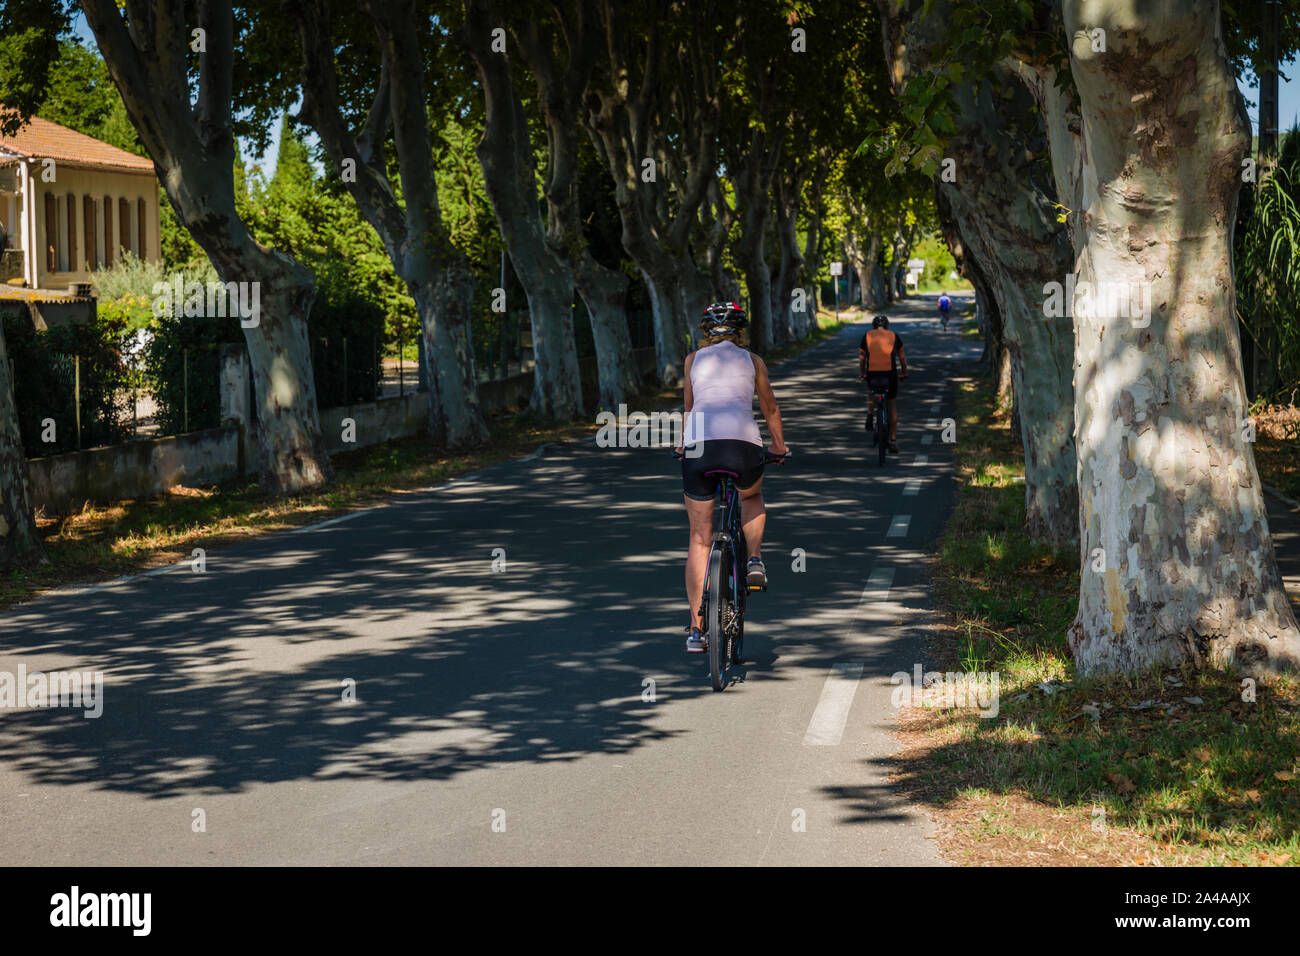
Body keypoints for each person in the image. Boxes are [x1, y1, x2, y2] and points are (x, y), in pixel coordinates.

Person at [676, 302, 787, 654]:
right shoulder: (753, 361)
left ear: (705, 331)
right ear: (742, 331)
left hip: (699, 449)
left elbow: (690, 409)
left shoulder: (692, 360)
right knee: (751, 497)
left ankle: (696, 630)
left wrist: (683, 446)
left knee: (698, 538)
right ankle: (753, 559)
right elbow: (769, 406)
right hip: (742, 446)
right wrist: (780, 448)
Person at [858, 314, 908, 453]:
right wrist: (904, 373)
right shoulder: (894, 335)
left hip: (873, 374)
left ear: (874, 325)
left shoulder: (867, 335)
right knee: (891, 404)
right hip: (890, 374)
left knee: (871, 391)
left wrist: (862, 374)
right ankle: (892, 440)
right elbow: (902, 358)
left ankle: (869, 414)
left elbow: (862, 359)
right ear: (887, 325)